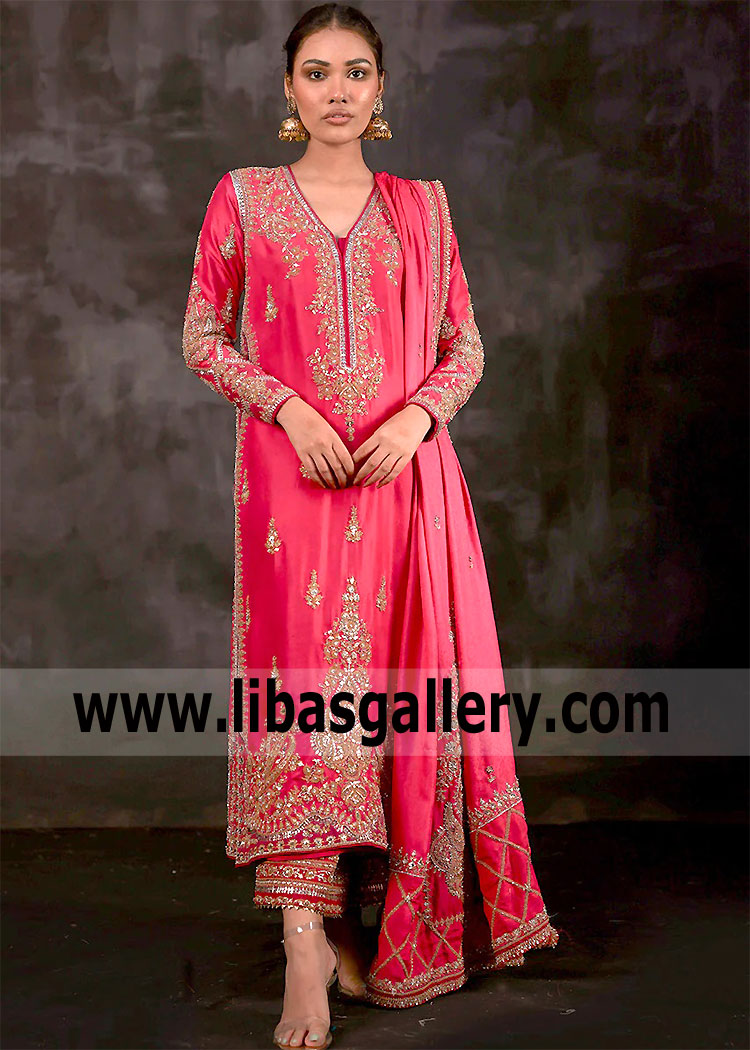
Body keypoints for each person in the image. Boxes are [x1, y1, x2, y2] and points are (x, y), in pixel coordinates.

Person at [181, 4, 559, 1048]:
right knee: (310, 703)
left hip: (402, 485)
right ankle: (302, 942)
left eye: (356, 72)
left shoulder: (421, 208)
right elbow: (203, 334)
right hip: (294, 488)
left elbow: (463, 346)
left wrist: (416, 419)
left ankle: (359, 920)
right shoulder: (245, 198)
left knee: (393, 706)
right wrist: (287, 407)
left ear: (381, 88)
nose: (337, 90)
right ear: (288, 89)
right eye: (317, 72)